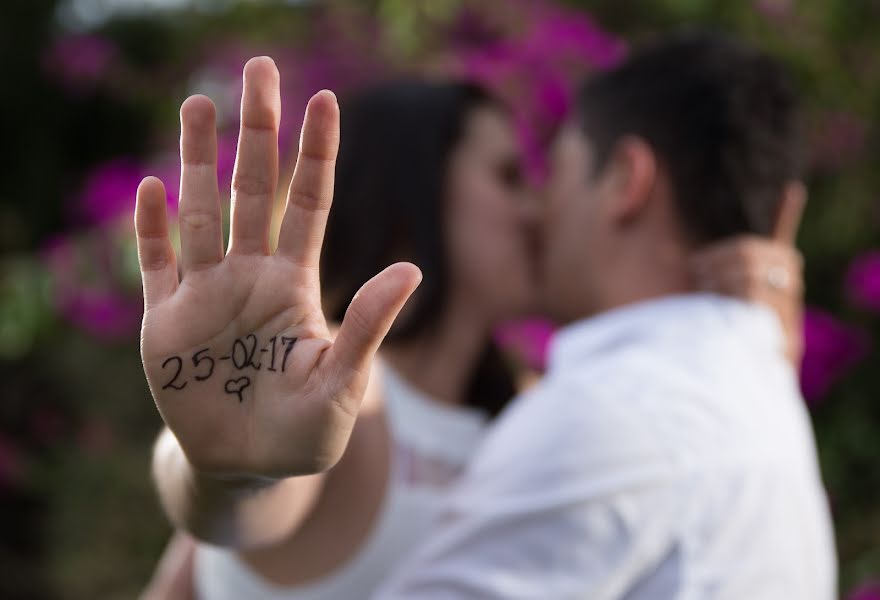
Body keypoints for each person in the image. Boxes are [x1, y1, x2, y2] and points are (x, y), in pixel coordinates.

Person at [135, 36, 815, 600]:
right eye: (508, 174)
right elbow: (238, 505)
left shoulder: (532, 415)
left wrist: (748, 356)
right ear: (417, 191)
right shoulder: (340, 396)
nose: (538, 207)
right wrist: (227, 472)